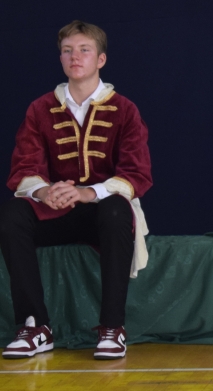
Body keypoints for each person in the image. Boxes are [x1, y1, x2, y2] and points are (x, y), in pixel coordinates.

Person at [0, 21, 152, 360]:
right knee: (11, 214)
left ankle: (112, 328)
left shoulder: (125, 109)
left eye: (84, 50)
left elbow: (136, 173)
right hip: (53, 210)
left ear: (101, 59)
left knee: (116, 208)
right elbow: (24, 166)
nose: (75, 57)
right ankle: (35, 327)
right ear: (60, 58)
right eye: (67, 51)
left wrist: (88, 193)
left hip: (102, 214)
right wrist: (44, 192)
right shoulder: (40, 108)